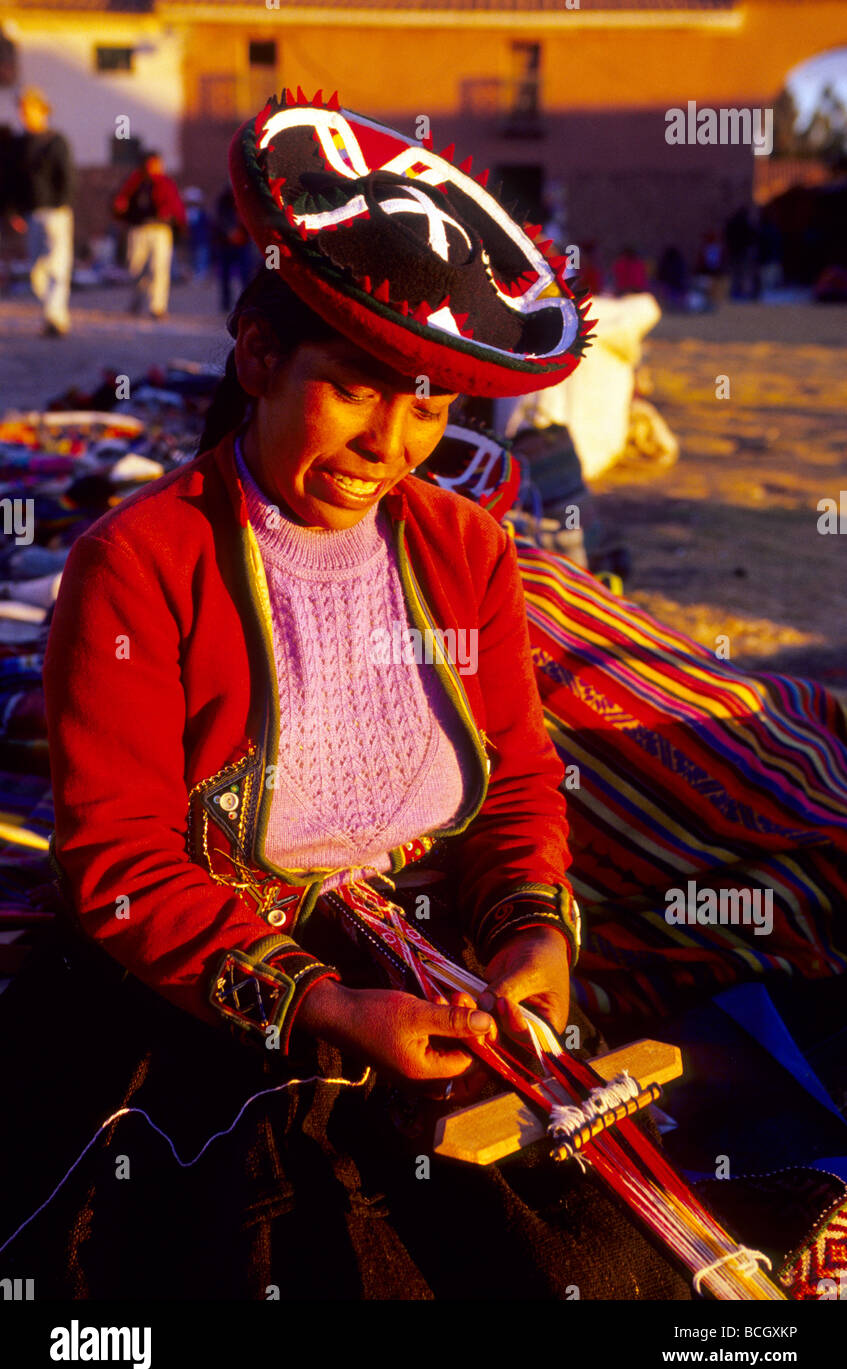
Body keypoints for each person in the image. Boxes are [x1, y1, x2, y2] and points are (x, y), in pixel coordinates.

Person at [26, 95, 692, 1300]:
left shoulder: (463, 547)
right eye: (358, 389)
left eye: (430, 407)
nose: (391, 444)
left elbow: (516, 779)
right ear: (260, 353)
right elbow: (118, 860)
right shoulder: (138, 563)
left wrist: (530, 932)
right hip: (224, 992)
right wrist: (323, 1003)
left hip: (433, 976)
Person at [7, 87, 74, 337]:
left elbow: (67, 177)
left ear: (42, 111)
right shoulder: (19, 145)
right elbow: (11, 181)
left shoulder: (56, 141)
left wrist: (62, 205)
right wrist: (14, 211)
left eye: (30, 110)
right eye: (22, 111)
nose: (25, 115)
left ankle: (55, 318)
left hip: (56, 213)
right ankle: (52, 312)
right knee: (37, 272)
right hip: (31, 214)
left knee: (57, 265)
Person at [112, 150, 186, 319]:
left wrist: (175, 222)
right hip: (138, 229)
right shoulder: (133, 183)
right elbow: (120, 201)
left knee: (159, 269)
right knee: (136, 267)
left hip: (160, 230)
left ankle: (157, 307)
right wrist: (120, 208)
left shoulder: (166, 184)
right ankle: (136, 300)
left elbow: (175, 207)